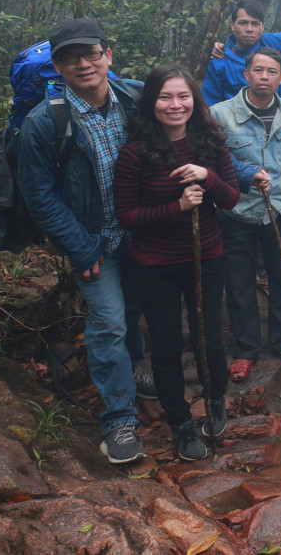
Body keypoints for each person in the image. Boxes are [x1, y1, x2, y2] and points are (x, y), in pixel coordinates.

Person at [17, 18, 152, 465]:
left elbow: (185, 138)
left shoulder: (135, 99)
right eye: (72, 56)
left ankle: (132, 370)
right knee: (109, 321)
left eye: (92, 52)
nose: (84, 63)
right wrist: (81, 245)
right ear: (57, 65)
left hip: (143, 232)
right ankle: (119, 421)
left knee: (133, 310)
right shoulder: (46, 121)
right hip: (93, 243)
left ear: (108, 55)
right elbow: (39, 195)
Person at [113, 65, 240, 462]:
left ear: (194, 100)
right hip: (155, 264)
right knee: (167, 346)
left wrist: (208, 177)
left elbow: (232, 197)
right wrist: (177, 207)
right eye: (166, 97)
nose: (175, 105)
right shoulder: (136, 152)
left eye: (183, 96)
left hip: (207, 255)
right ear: (151, 102)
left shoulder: (211, 141)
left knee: (209, 336)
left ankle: (215, 399)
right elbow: (126, 217)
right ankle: (181, 424)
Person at [209, 47, 281, 382]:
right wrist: (237, 181)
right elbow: (211, 159)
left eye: (271, 72)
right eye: (258, 70)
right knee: (239, 283)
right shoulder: (220, 115)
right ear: (246, 74)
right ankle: (246, 349)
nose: (264, 77)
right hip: (237, 210)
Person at [202, 0, 266, 105]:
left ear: (262, 27)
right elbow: (210, 104)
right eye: (243, 23)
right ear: (232, 25)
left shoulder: (276, 54)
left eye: (255, 24)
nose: (249, 29)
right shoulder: (220, 58)